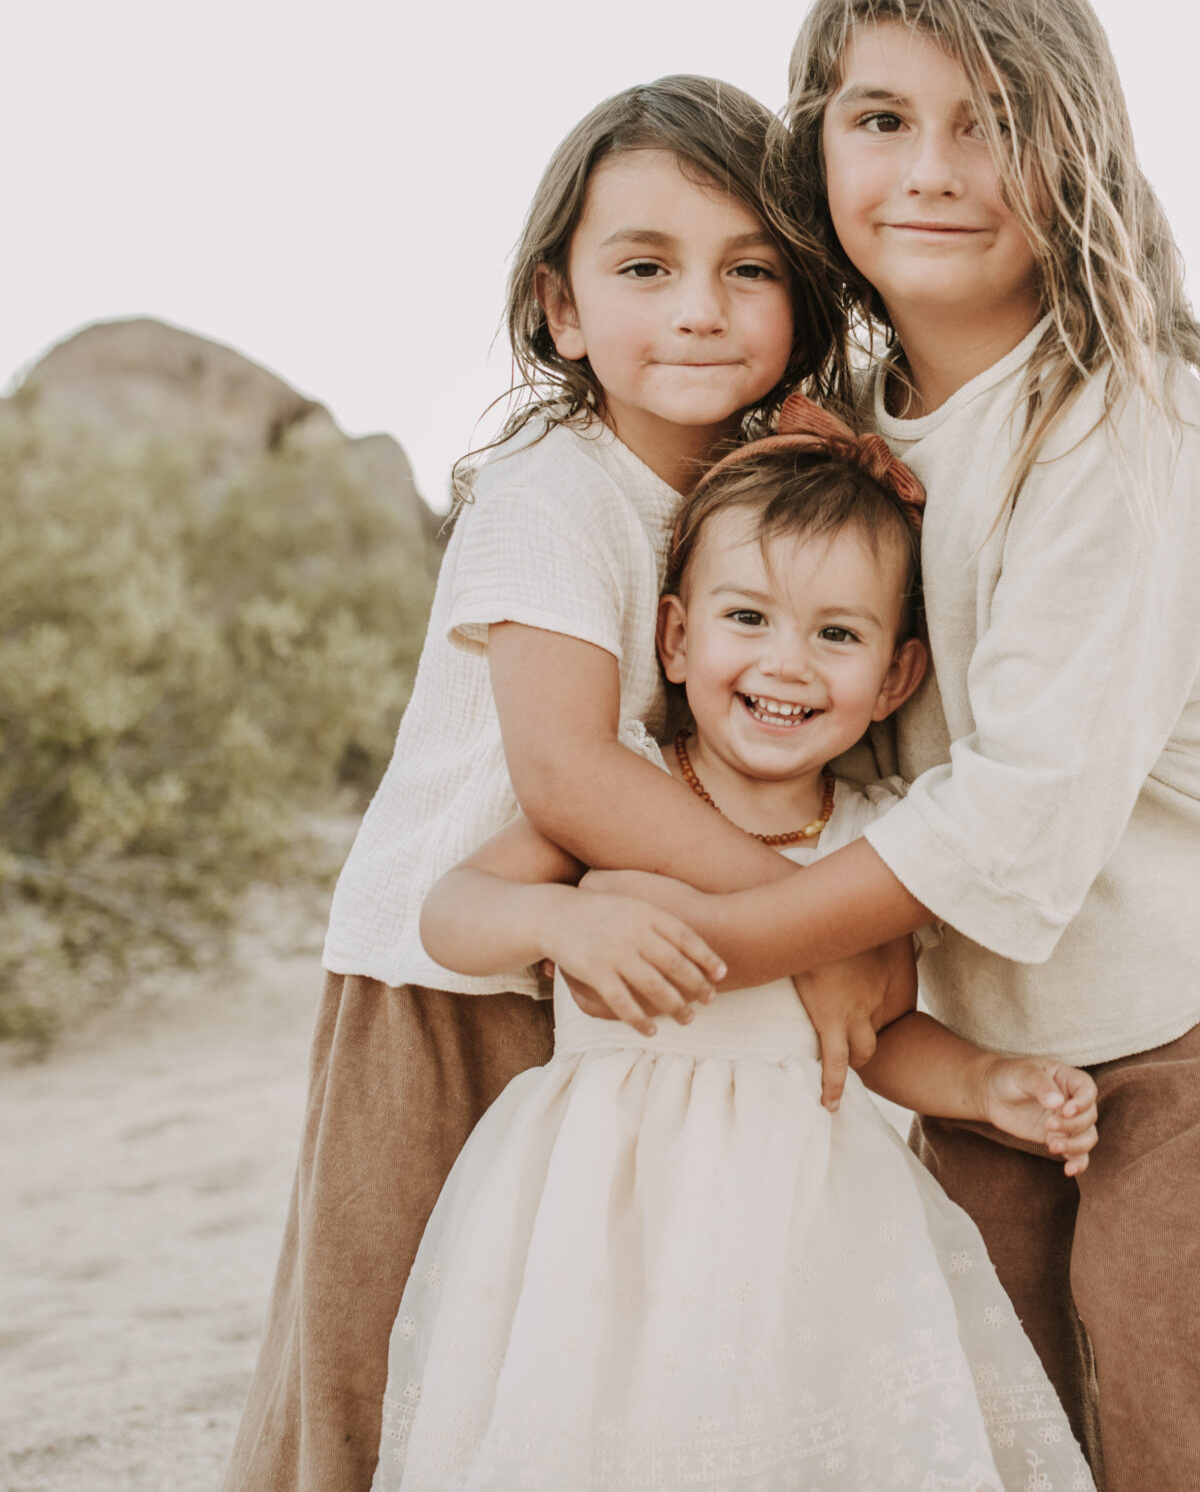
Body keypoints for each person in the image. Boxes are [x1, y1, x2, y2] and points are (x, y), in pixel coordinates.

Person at [581, 0, 1200, 1490]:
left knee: (1185, 1331)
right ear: (819, 141)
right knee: (1008, 1354)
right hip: (992, 993)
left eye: (991, 122)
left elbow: (1025, 802)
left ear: (1076, 149)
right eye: (882, 119)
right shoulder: (846, 426)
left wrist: (723, 942)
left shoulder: (1127, 413)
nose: (932, 169)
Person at [224, 76, 892, 1492]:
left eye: (750, 268)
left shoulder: (733, 486)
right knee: (383, 1347)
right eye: (646, 267)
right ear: (563, 308)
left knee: (541, 1359)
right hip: (442, 970)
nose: (700, 307)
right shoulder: (552, 494)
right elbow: (572, 770)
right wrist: (826, 922)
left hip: (587, 978)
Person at [374, 415, 1097, 1492]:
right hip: (598, 1213)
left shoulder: (874, 843)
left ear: (898, 677)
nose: (784, 664)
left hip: (806, 1215)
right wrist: (559, 921)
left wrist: (987, 1085)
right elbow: (452, 910)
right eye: (746, 617)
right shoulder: (620, 800)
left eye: (836, 636)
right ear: (674, 638)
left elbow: (881, 1032)